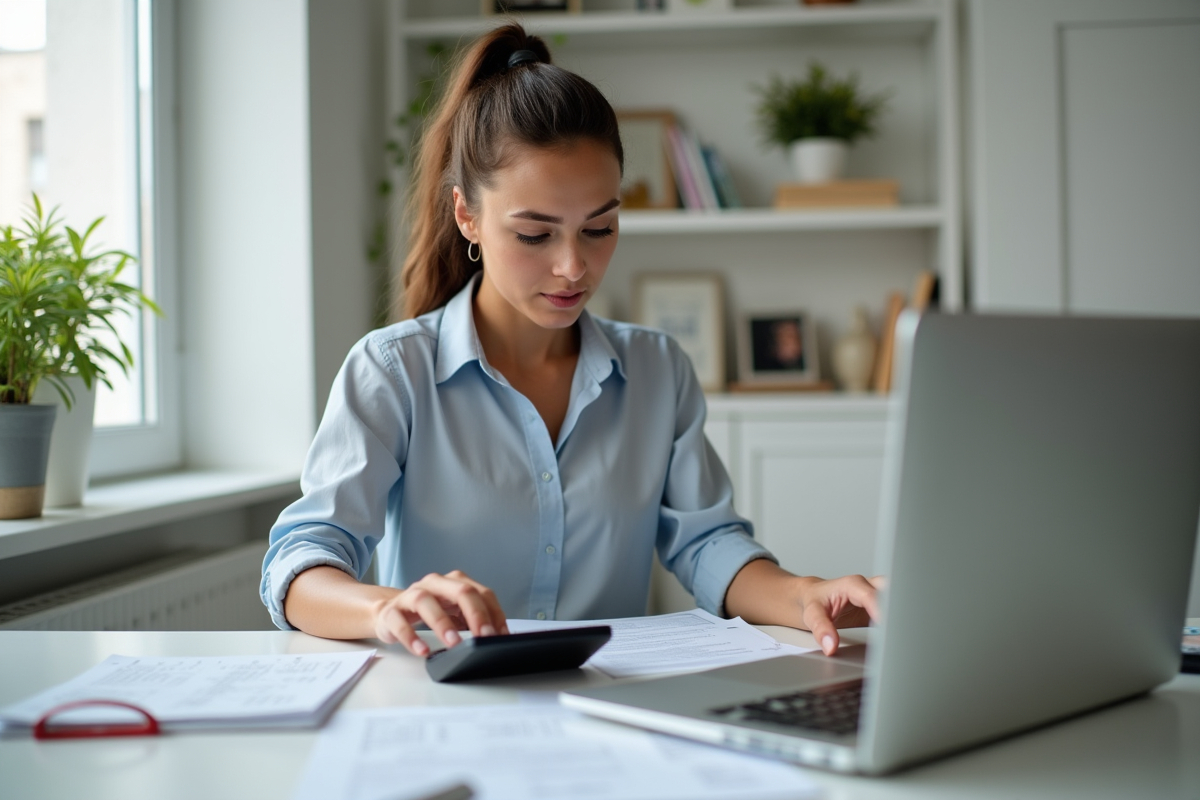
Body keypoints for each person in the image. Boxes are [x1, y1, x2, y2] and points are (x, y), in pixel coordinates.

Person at [260, 23, 880, 660]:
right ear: (466, 215)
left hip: (604, 709)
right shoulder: (390, 371)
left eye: (600, 227)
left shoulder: (656, 369)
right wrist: (385, 604)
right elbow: (303, 564)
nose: (573, 267)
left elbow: (707, 543)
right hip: (437, 705)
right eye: (536, 235)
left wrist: (804, 593)